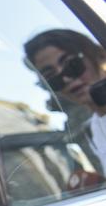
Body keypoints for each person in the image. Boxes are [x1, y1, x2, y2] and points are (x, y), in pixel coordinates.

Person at [24, 28, 106, 174]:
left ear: (98, 56)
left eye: (72, 65)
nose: (67, 78)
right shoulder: (95, 126)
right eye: (52, 77)